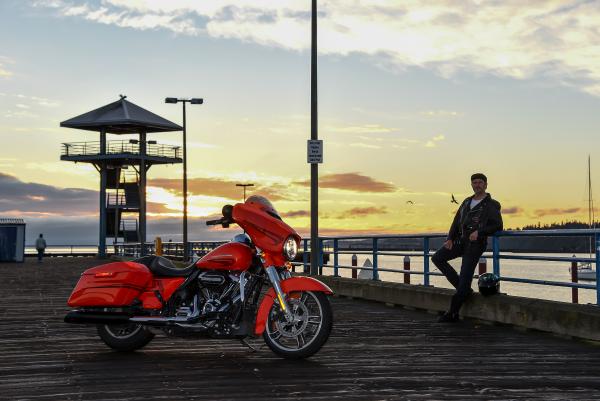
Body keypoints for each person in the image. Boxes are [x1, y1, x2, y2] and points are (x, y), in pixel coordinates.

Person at [432, 173, 503, 322]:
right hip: (460, 241)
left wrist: (480, 232)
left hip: (475, 245)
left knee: (465, 275)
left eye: (480, 182)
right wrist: (450, 238)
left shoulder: (491, 204)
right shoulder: (466, 202)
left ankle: (452, 313)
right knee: (437, 258)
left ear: (486, 185)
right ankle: (463, 289)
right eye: (474, 182)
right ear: (471, 184)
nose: (477, 185)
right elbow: (456, 220)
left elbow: (498, 225)